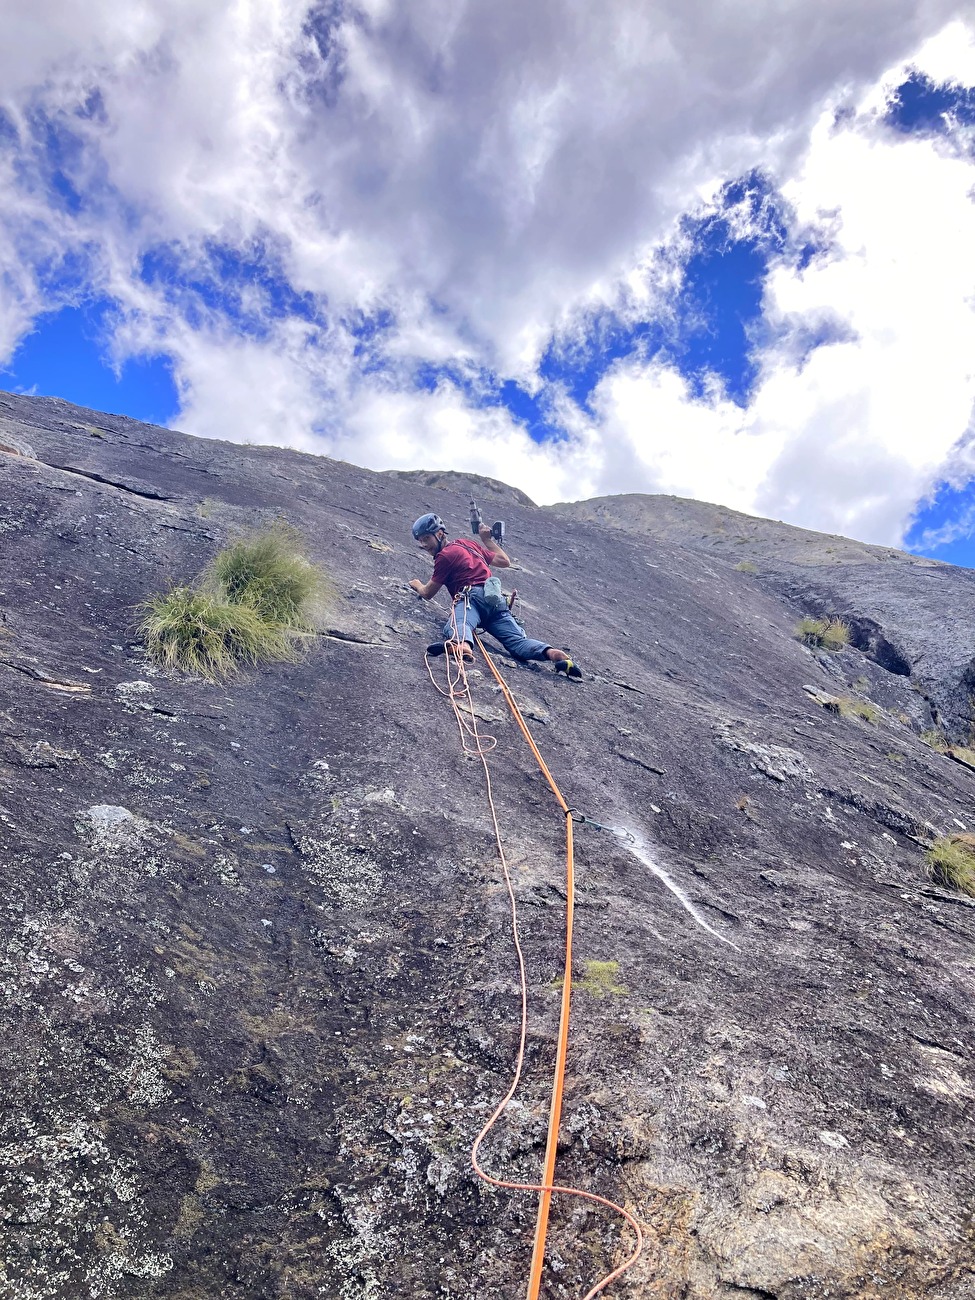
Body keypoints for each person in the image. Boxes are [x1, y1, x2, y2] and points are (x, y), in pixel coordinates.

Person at [408, 513, 582, 677]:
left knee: (459, 623)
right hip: (495, 601)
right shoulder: (468, 544)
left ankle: (463, 646)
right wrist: (486, 540)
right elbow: (504, 561)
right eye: (420, 541)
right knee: (517, 642)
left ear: (439, 534)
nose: (424, 545)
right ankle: (552, 653)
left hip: (471, 598)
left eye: (426, 538)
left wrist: (416, 585)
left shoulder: (444, 556)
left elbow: (428, 593)